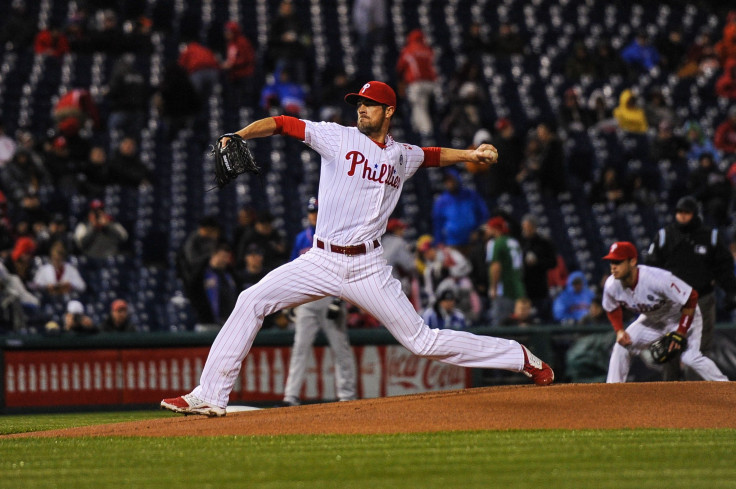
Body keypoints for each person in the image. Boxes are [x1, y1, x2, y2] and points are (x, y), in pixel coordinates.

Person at [161, 80, 554, 416]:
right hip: (321, 258)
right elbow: (283, 123)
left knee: (422, 341)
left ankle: (519, 356)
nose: (361, 110)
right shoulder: (338, 136)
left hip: (369, 267)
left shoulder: (402, 154)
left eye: (369, 105)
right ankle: (209, 396)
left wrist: (469, 154)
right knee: (251, 300)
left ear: (389, 111)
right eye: (359, 104)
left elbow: (431, 155)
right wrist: (242, 134)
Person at [601, 241, 728, 383]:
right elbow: (611, 308)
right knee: (622, 346)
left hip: (681, 315)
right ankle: (612, 391)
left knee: (690, 358)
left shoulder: (657, 279)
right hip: (653, 319)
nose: (613, 267)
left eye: (618, 262)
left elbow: (691, 297)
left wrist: (681, 332)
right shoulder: (612, 285)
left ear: (632, 261)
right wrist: (619, 330)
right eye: (611, 262)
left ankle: (726, 387)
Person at [645, 196, 736, 380]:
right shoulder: (665, 236)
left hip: (701, 298)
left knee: (699, 351)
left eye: (686, 213)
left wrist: (731, 291)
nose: (682, 217)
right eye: (679, 212)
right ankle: (671, 396)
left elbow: (724, 267)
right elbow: (651, 268)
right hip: (672, 302)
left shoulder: (710, 236)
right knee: (669, 349)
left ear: (695, 215)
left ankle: (695, 398)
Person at [283, 197, 357, 406]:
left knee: (340, 348)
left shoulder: (336, 235)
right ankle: (291, 395)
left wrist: (339, 300)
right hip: (307, 300)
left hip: (330, 298)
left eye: (316, 211)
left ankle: (347, 396)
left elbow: (345, 267)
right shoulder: (301, 238)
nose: (313, 215)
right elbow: (293, 270)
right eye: (311, 211)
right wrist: (291, 301)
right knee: (299, 348)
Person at [431, 168, 489, 252]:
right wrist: (439, 243)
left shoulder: (471, 195)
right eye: (447, 181)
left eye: (451, 180)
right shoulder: (441, 202)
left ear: (457, 179)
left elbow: (483, 214)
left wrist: (479, 231)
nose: (449, 183)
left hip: (473, 242)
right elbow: (438, 225)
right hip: (452, 245)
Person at [396, 29, 438, 138]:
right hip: (430, 83)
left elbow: (400, 67)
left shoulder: (409, 50)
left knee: (419, 106)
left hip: (416, 83)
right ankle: (418, 130)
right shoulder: (427, 50)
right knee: (421, 105)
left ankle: (425, 132)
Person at [486, 216, 526, 326]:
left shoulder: (497, 243)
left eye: (489, 227)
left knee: (500, 326)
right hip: (518, 288)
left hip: (504, 289)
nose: (487, 230)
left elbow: (496, 266)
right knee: (517, 324)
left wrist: (493, 288)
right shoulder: (514, 242)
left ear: (495, 228)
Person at [519, 214, 557, 323]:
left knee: (542, 318)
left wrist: (537, 262)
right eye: (524, 227)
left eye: (527, 227)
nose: (525, 230)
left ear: (534, 227)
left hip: (540, 288)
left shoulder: (544, 242)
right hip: (523, 288)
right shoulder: (520, 242)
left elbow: (553, 263)